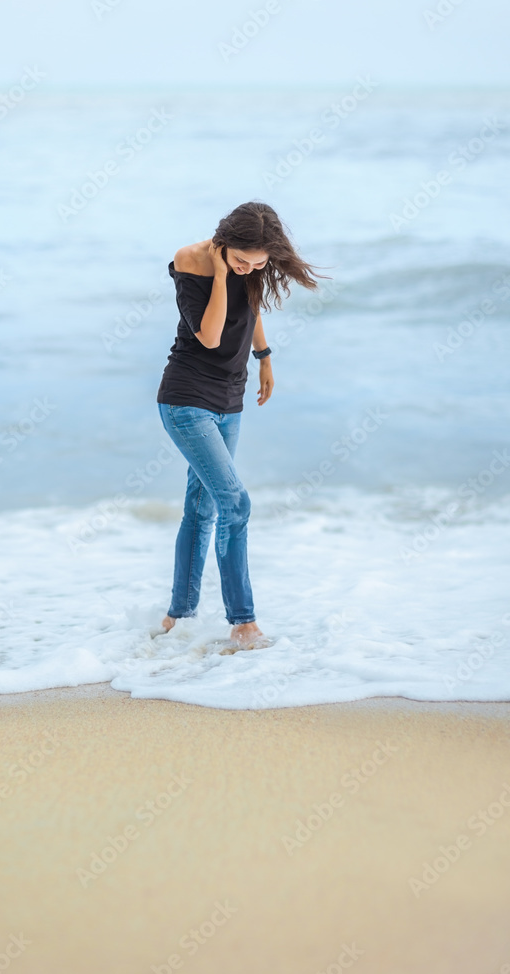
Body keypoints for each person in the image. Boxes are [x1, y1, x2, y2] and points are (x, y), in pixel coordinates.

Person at [156, 201, 326, 649]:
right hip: (186, 400)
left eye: (257, 263)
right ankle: (244, 623)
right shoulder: (190, 260)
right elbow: (210, 336)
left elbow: (250, 308)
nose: (248, 270)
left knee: (202, 507)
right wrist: (218, 271)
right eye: (239, 261)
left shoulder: (249, 267)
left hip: (229, 400)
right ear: (223, 244)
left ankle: (179, 616)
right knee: (236, 503)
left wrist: (264, 357)